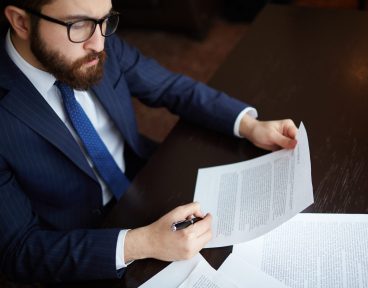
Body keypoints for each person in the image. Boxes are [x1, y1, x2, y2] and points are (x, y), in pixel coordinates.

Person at [0, 0, 298, 284]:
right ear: (21, 22)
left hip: (144, 180)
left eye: (105, 19)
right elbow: (17, 250)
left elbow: (169, 86)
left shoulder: (96, 42)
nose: (99, 44)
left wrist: (249, 125)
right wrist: (142, 243)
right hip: (80, 245)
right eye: (78, 25)